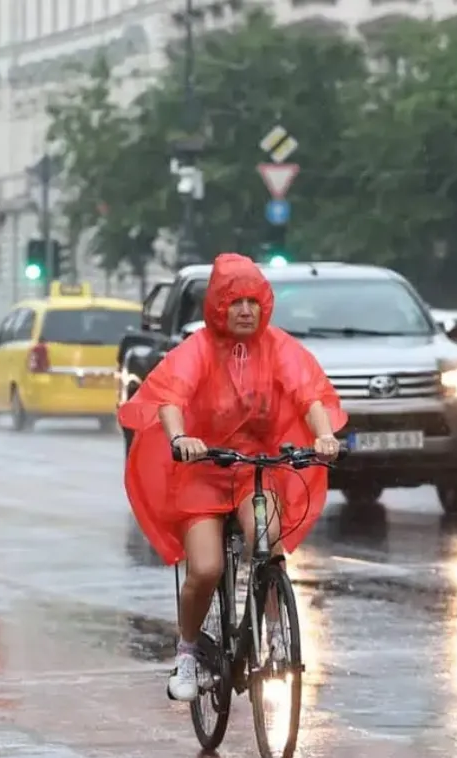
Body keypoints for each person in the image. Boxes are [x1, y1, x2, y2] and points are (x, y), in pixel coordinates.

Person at [117, 253, 347, 703]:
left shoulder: (278, 347)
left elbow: (309, 391)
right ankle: (187, 652)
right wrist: (180, 437)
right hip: (204, 468)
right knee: (205, 568)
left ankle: (277, 631)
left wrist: (324, 436)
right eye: (234, 301)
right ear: (218, 306)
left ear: (265, 305)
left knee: (267, 543)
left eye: (252, 301)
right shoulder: (197, 349)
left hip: (256, 469)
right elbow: (170, 396)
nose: (245, 310)